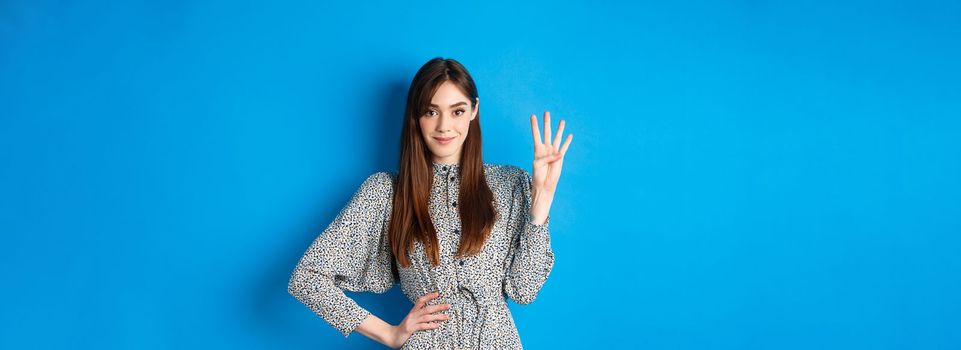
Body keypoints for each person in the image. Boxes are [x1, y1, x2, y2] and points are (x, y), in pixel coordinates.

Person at [287, 57, 573, 349]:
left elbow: (524, 290)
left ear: (474, 110)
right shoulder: (387, 192)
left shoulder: (510, 184)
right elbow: (306, 278)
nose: (444, 126)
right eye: (431, 111)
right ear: (416, 116)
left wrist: (541, 203)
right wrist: (389, 333)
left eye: (457, 111)